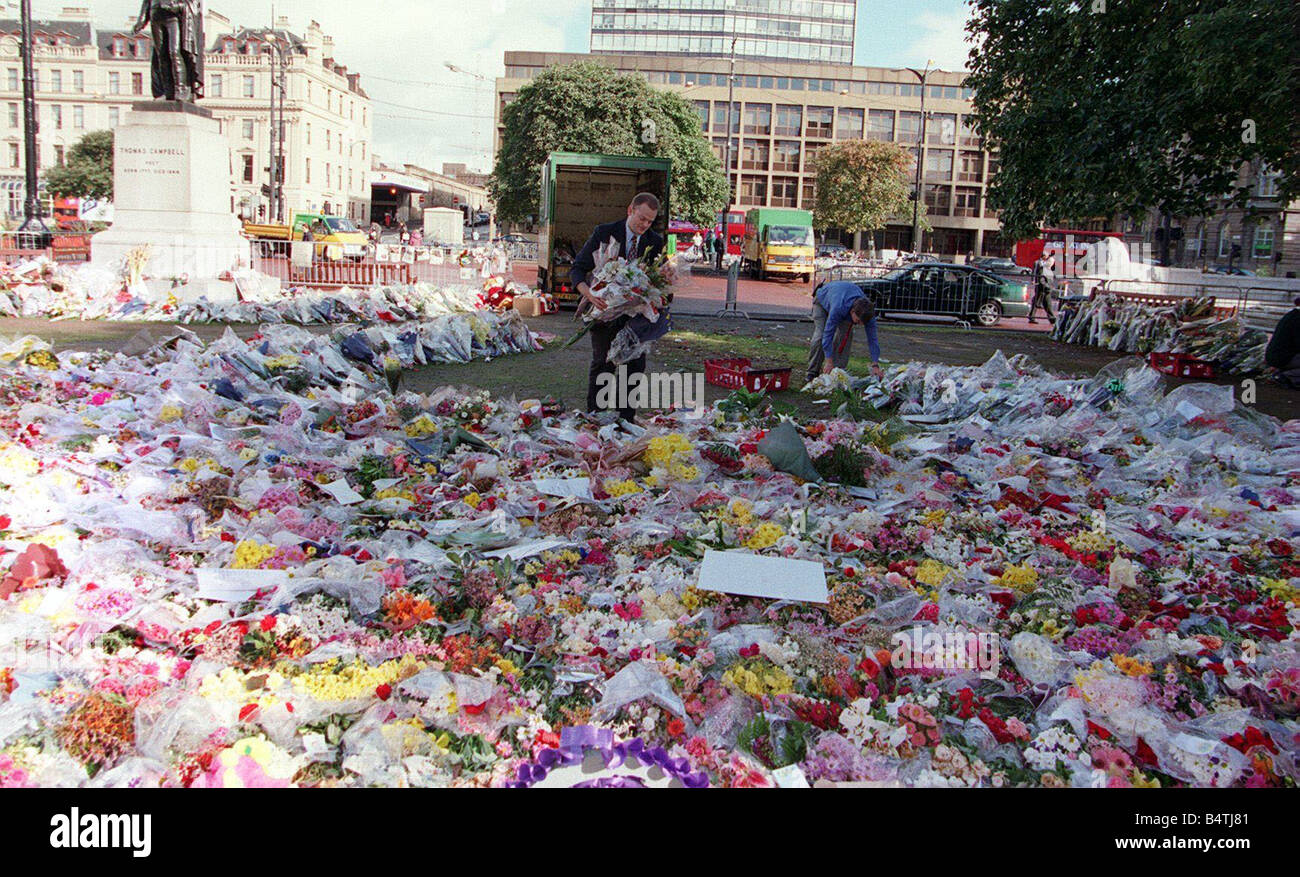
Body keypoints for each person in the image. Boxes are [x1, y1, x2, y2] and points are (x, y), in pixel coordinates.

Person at [570, 192, 665, 421]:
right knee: (603, 366)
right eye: (642, 218)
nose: (645, 225)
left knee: (634, 368)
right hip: (604, 313)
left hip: (636, 319)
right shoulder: (604, 233)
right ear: (630, 210)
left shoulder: (655, 241)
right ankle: (595, 418)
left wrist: (660, 290)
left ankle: (626, 421)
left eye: (650, 221)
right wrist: (589, 294)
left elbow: (657, 280)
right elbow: (577, 269)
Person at [806, 280, 884, 384]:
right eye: (857, 321)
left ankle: (837, 372)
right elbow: (828, 334)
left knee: (846, 336)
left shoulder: (868, 315)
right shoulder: (839, 308)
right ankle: (812, 371)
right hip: (822, 302)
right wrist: (828, 360)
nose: (859, 324)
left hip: (842, 301)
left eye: (862, 323)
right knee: (820, 336)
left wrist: (875, 365)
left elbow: (873, 340)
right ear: (852, 312)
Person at [1266, 297, 1300, 388]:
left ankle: (1283, 373)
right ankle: (1286, 376)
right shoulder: (1297, 319)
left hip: (1278, 356)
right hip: (1284, 357)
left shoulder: (1291, 315)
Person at [1028, 253, 1056, 324]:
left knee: (1047, 304)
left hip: (1045, 288)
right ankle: (1032, 317)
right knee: (1037, 302)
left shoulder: (1047, 268)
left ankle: (1052, 319)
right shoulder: (1041, 266)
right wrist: (1034, 281)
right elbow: (1039, 276)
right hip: (1042, 288)